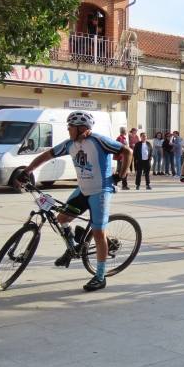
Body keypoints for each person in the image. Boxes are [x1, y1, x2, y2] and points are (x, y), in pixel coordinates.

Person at [15, 111, 132, 291]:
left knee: (99, 233)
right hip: (83, 190)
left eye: (70, 127)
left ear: (82, 128)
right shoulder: (70, 144)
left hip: (100, 191)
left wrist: (121, 175)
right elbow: (46, 156)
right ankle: (73, 248)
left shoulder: (99, 141)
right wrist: (28, 171)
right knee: (61, 219)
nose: (68, 130)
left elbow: (127, 151)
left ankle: (100, 276)